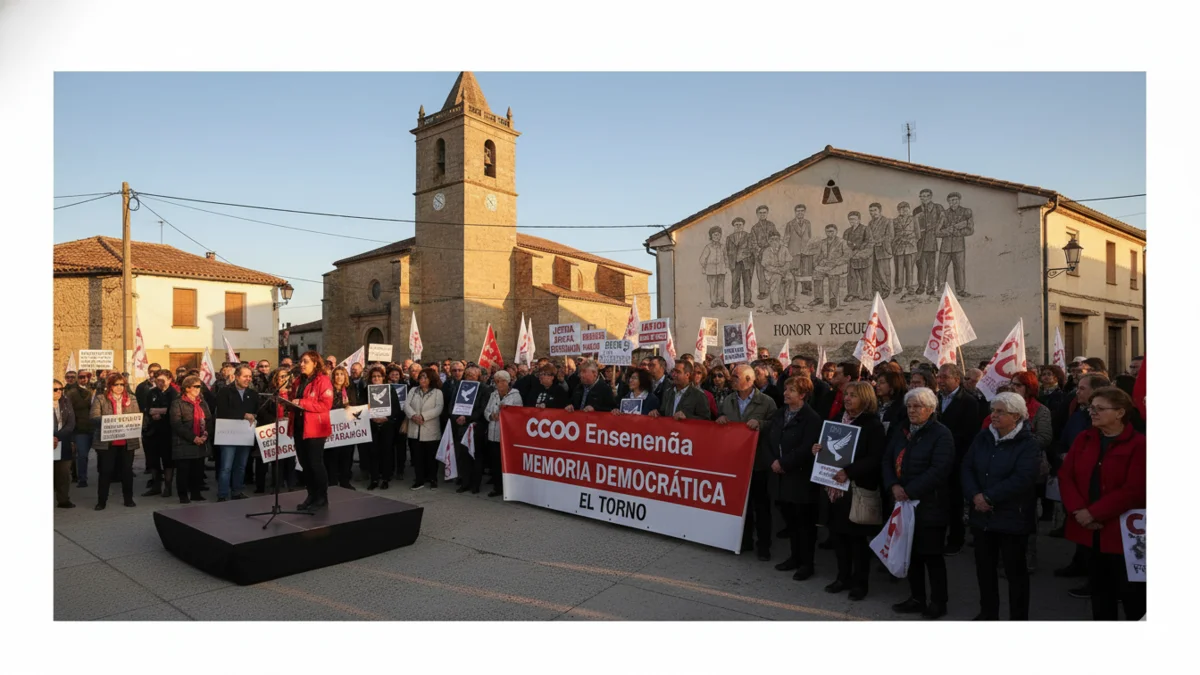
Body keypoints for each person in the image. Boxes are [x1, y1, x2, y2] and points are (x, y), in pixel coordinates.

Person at [1058, 387, 1146, 620]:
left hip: (1123, 535)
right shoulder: (1084, 439)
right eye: (1091, 408)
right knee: (1100, 595)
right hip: (1089, 531)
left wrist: (1094, 513)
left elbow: (1135, 490)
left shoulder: (1140, 444)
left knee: (1133, 598)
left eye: (1099, 408)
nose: (1092, 412)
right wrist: (1078, 511)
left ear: (1120, 412)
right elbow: (1066, 476)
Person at [962, 392, 1041, 620]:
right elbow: (967, 467)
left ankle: (1018, 619)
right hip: (982, 517)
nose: (993, 416)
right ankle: (988, 614)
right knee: (984, 570)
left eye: (1000, 412)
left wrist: (988, 498)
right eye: (993, 411)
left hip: (1012, 518)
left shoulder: (1028, 444)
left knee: (1015, 573)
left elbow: (1023, 478)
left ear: (1016, 416)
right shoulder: (983, 437)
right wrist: (975, 495)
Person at [882, 387, 955, 619]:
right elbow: (887, 459)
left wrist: (909, 491)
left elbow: (939, 469)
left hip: (930, 505)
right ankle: (917, 597)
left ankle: (938, 602)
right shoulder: (902, 430)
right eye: (910, 406)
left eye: (918, 406)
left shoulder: (941, 434)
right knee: (911, 553)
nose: (912, 410)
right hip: (903, 503)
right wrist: (893, 485)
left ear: (930, 409)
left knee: (931, 555)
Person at [819, 381, 887, 599]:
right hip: (835, 488)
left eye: (853, 395)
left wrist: (849, 472)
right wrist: (818, 449)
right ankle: (843, 577)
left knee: (857, 540)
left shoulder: (872, 425)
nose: (847, 398)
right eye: (846, 394)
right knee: (838, 536)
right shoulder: (836, 420)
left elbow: (875, 457)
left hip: (856, 487)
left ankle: (860, 583)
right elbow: (827, 449)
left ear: (865, 399)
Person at [716, 364, 777, 559]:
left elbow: (776, 426)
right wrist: (721, 419)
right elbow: (720, 419)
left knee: (761, 506)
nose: (731, 379)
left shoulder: (766, 402)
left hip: (758, 462)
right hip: (735, 461)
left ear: (749, 380)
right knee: (743, 504)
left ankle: (764, 545)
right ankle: (745, 540)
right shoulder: (728, 400)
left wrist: (761, 424)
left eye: (736, 376)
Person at [764, 376, 822, 577]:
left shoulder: (812, 418)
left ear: (803, 395)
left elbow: (807, 448)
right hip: (780, 476)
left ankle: (807, 563)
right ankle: (794, 557)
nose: (786, 393)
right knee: (791, 521)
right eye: (786, 389)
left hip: (799, 478)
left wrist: (784, 463)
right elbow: (769, 439)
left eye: (792, 390)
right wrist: (773, 461)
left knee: (804, 523)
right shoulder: (781, 413)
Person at [935, 363, 982, 555]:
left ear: (957, 379)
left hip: (957, 458)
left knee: (955, 501)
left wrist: (943, 442)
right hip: (936, 459)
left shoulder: (969, 401)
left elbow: (969, 433)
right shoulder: (935, 398)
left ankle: (956, 538)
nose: (940, 381)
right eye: (939, 377)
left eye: (944, 377)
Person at [285, 351, 335, 511]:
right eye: (301, 361)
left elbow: (325, 405)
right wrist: (286, 401)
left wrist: (302, 403)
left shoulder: (323, 380)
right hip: (299, 427)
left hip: (316, 429)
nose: (301, 364)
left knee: (315, 463)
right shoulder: (299, 380)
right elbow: (294, 400)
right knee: (304, 464)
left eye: (305, 361)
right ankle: (311, 495)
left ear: (315, 363)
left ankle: (322, 497)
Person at [90, 373, 142, 510]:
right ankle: (102, 501)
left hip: (127, 441)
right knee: (105, 471)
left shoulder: (132, 398)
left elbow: (136, 416)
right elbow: (94, 417)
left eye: (122, 385)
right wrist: (112, 422)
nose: (119, 387)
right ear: (110, 386)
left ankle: (128, 499)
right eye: (116, 384)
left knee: (127, 471)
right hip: (107, 441)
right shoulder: (101, 398)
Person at [212, 365, 259, 502]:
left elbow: (257, 410)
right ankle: (222, 494)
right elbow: (222, 411)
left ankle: (237, 491)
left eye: (250, 376)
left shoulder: (253, 393)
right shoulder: (225, 392)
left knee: (241, 465)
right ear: (236, 377)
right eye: (245, 376)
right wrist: (243, 415)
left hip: (245, 435)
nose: (248, 379)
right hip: (228, 435)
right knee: (226, 466)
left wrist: (254, 415)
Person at [479, 370, 522, 497]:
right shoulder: (493, 395)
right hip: (493, 434)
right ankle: (497, 487)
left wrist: (505, 413)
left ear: (508, 382)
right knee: (495, 462)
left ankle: (509, 488)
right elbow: (486, 411)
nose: (500, 384)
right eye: (497, 381)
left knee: (506, 463)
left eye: (503, 381)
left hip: (507, 435)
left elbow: (519, 414)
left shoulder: (515, 396)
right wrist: (491, 416)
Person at [169, 376, 212, 503]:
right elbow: (176, 424)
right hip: (184, 441)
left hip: (201, 441)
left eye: (200, 387)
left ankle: (196, 493)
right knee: (183, 471)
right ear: (187, 388)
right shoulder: (177, 403)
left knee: (197, 470)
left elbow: (209, 420)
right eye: (196, 386)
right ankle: (183, 496)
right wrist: (193, 438)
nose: (198, 389)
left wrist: (205, 435)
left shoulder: (202, 402)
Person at [256, 368, 298, 493]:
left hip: (289, 429)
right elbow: (261, 411)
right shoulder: (269, 393)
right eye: (281, 376)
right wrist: (274, 419)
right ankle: (277, 485)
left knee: (290, 459)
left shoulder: (293, 393)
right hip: (273, 429)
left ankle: (291, 485)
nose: (284, 379)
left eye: (286, 376)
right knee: (277, 460)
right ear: (275, 379)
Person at [404, 366, 445, 490]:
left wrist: (423, 416)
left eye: (425, 377)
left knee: (431, 457)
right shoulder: (413, 390)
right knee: (417, 457)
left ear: (431, 379)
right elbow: (406, 405)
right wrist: (413, 416)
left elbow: (438, 408)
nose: (422, 380)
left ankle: (432, 479)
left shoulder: (437, 392)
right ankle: (419, 480)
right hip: (415, 428)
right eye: (421, 377)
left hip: (430, 429)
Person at [451, 365, 490, 493]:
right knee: (463, 455)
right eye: (468, 375)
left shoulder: (484, 389)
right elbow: (452, 405)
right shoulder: (459, 387)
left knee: (476, 455)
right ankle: (465, 482)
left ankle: (475, 485)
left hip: (476, 426)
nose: (470, 378)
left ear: (478, 377)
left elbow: (482, 408)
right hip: (461, 426)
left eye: (473, 375)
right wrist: (457, 417)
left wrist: (467, 418)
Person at [142, 371, 178, 498]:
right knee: (153, 460)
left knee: (168, 461)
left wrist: (160, 412)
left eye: (163, 380)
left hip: (168, 431)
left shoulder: (174, 393)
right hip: (152, 431)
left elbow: (173, 410)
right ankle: (156, 486)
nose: (160, 383)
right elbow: (148, 409)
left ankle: (168, 487)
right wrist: (157, 412)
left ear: (169, 380)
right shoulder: (151, 393)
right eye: (158, 381)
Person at [363, 366, 400, 490]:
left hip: (387, 425)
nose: (376, 378)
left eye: (379, 376)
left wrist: (386, 418)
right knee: (373, 452)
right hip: (372, 425)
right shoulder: (366, 390)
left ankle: (385, 478)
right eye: (374, 376)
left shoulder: (390, 390)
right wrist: (371, 417)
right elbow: (362, 408)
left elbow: (396, 408)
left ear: (383, 378)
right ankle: (374, 479)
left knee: (386, 452)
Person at [328, 366, 362, 490]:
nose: (339, 377)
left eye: (342, 374)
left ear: (345, 376)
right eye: (337, 374)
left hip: (347, 429)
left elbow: (355, 405)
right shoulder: (329, 390)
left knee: (347, 455)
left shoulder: (350, 389)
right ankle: (332, 482)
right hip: (333, 429)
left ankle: (345, 481)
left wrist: (349, 406)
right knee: (332, 456)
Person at [65, 370, 95, 489]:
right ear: (78, 378)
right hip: (80, 429)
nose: (84, 379)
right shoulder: (72, 393)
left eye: (87, 376)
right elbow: (68, 412)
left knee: (103, 454)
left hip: (95, 427)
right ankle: (82, 478)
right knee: (82, 455)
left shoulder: (94, 390)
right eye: (82, 377)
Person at [54, 379, 77, 508]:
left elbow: (71, 422)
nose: (58, 392)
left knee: (63, 473)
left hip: (63, 441)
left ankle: (63, 500)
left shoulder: (66, 401)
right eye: (55, 389)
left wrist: (58, 436)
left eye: (61, 389)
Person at [875, 369, 908, 436]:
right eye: (877, 382)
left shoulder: (902, 408)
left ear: (892, 385)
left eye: (882, 383)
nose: (877, 385)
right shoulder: (875, 404)